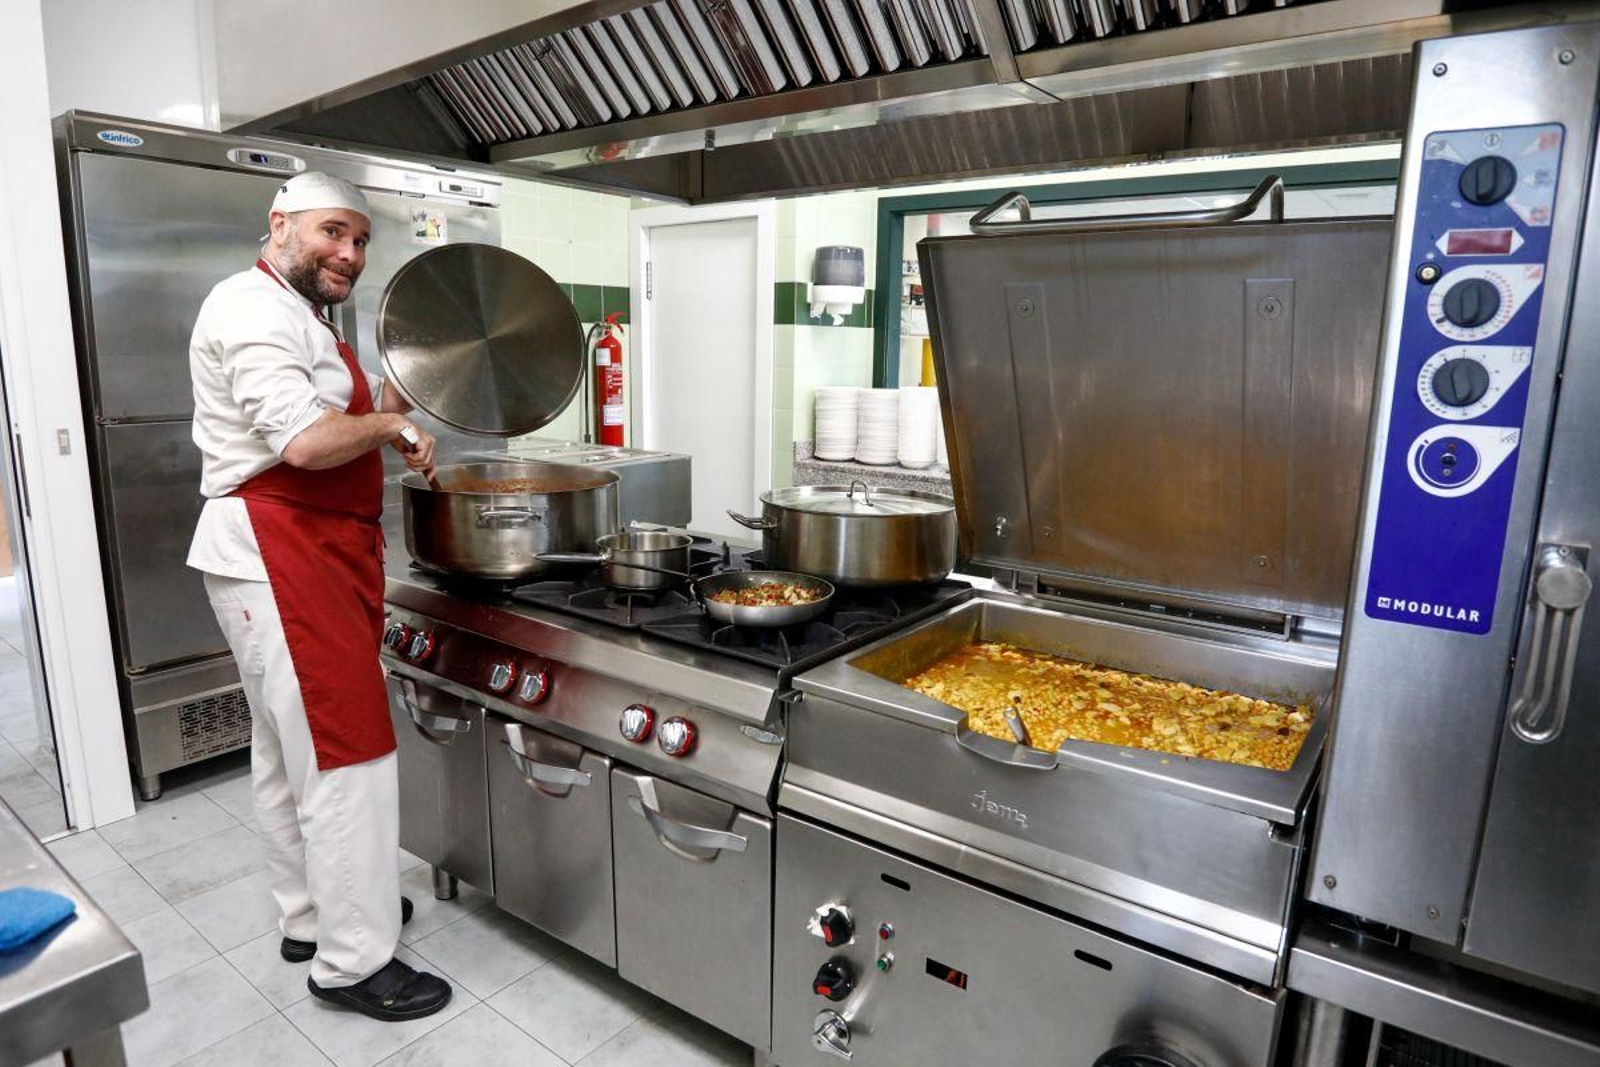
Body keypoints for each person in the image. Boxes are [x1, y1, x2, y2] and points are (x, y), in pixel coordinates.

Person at [187, 171, 451, 1021]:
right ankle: (352, 963)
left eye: (361, 240)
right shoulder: (250, 309)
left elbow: (331, 413)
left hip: (297, 554)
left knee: (286, 750)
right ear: (281, 225)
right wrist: (389, 427)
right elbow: (303, 442)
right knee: (348, 754)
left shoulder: (296, 314)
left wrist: (400, 403)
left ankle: (312, 916)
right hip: (281, 552)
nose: (350, 252)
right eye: (334, 232)